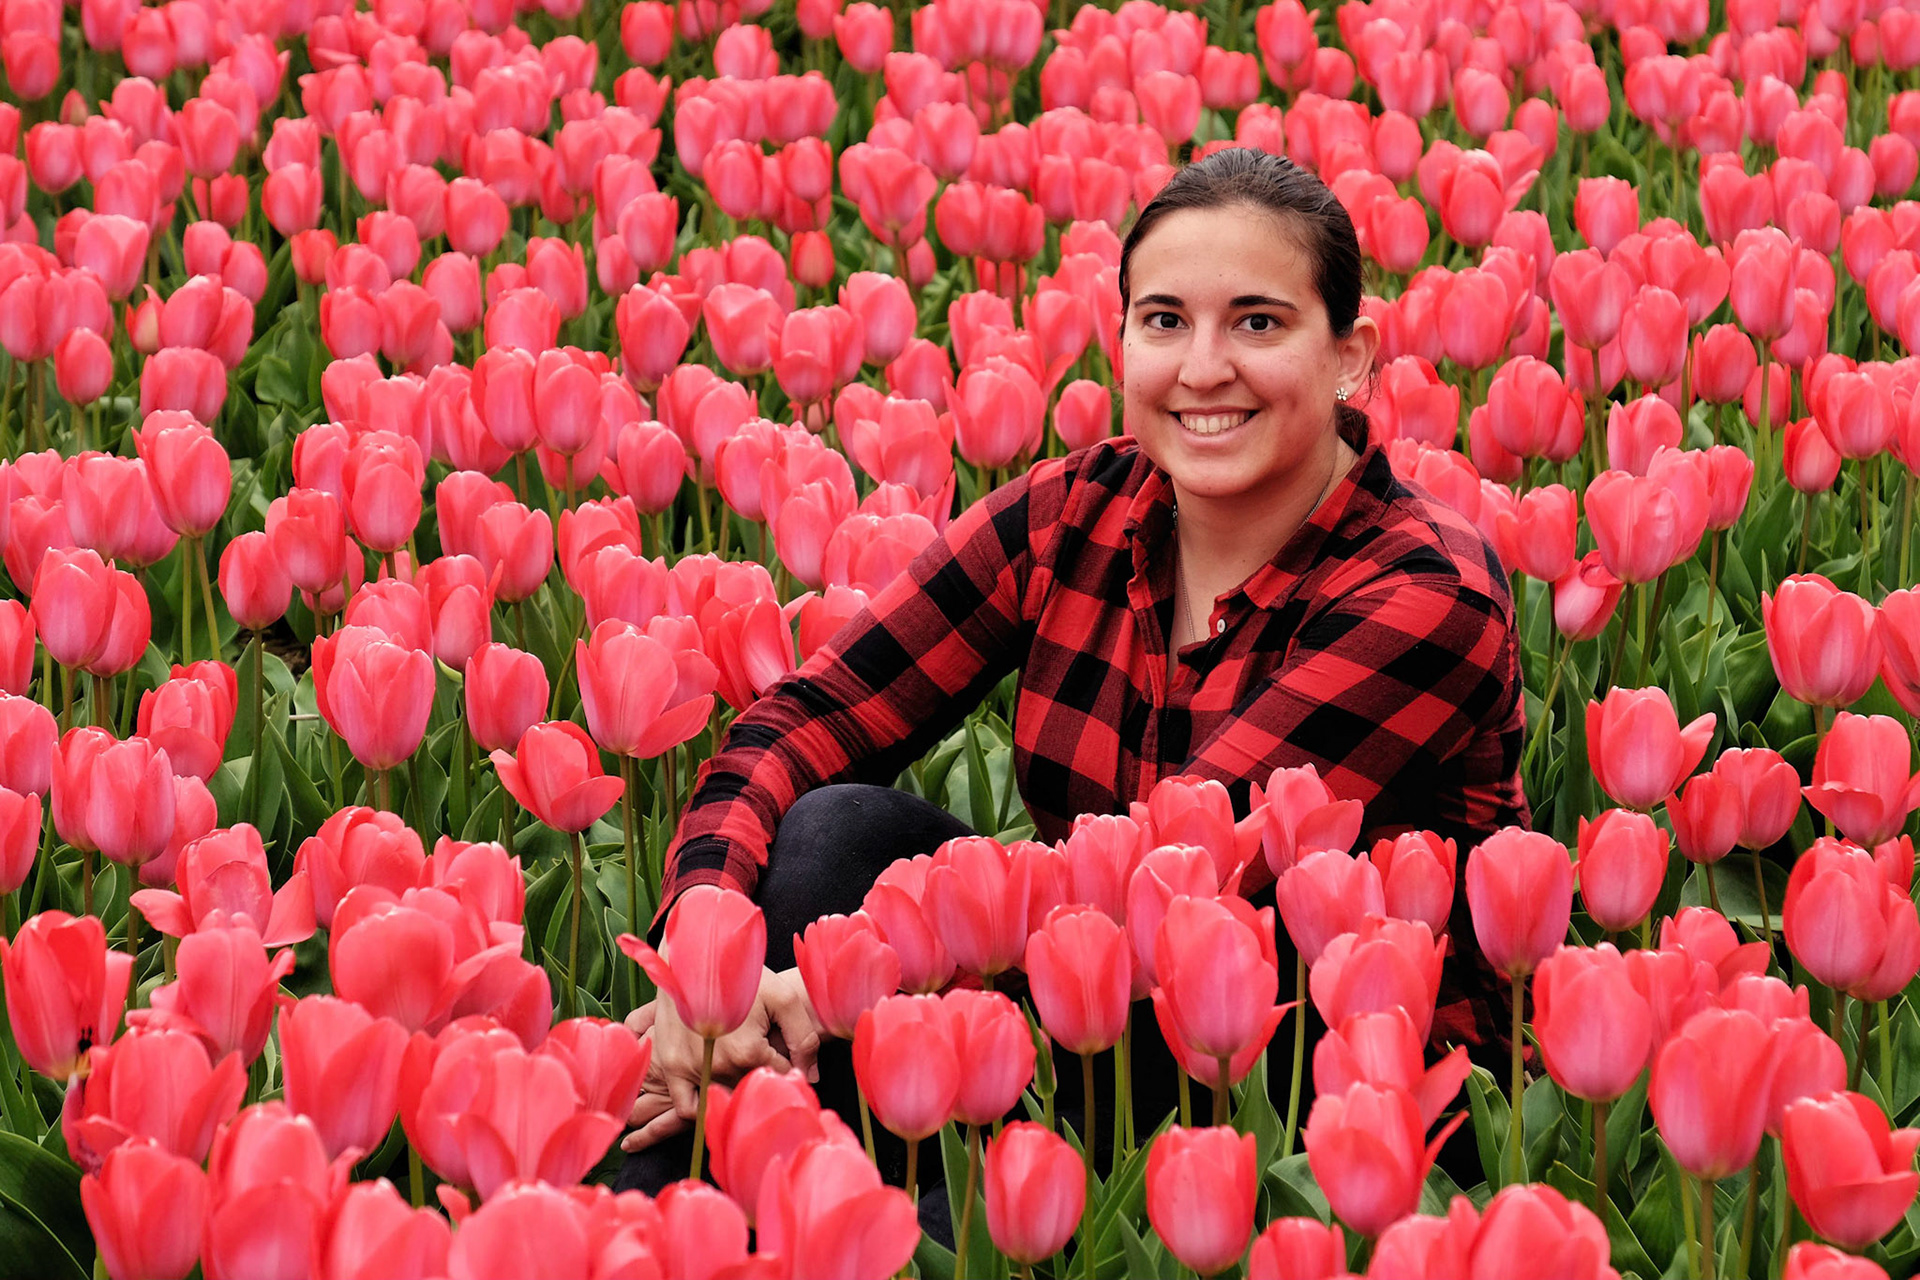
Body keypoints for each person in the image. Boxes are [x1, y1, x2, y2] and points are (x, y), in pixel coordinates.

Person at [615, 148, 1529, 1201]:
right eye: (1166, 320)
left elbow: (1187, 851)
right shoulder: (1076, 512)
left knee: (885, 948)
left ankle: (756, 1204)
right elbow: (812, 712)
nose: (1203, 367)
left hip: (1326, 1089)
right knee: (833, 832)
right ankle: (722, 1197)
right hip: (1078, 1014)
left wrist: (856, 969)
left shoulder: (1427, 587)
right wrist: (704, 949)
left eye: (1260, 322)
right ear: (1125, 337)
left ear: (1351, 356)